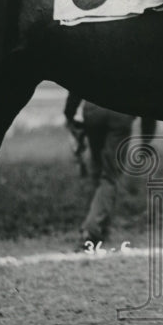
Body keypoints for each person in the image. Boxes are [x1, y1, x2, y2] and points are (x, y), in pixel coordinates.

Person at [64, 93, 137, 248]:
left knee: (97, 169)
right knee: (110, 175)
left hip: (93, 109)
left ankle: (102, 228)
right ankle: (92, 229)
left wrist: (69, 114)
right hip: (121, 111)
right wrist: (148, 132)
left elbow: (77, 80)